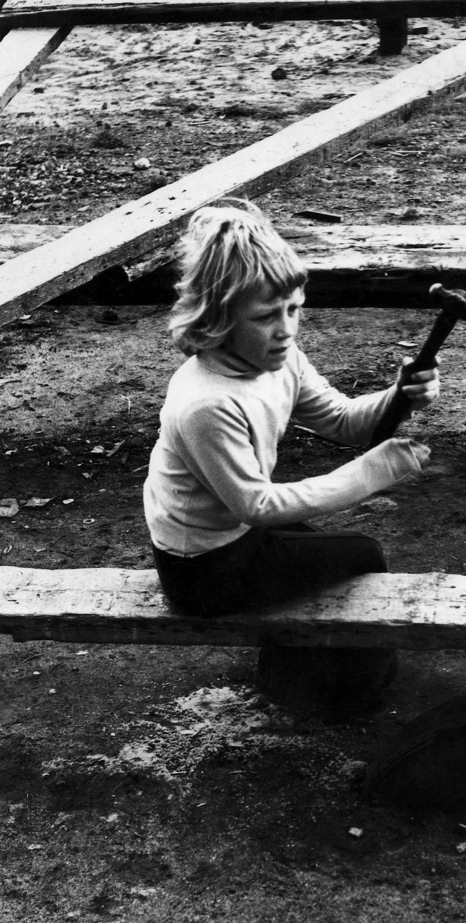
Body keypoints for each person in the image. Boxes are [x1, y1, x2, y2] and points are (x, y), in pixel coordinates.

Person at [143, 200, 440, 711]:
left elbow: (343, 421)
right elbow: (256, 505)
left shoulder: (278, 360)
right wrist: (375, 471)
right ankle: (347, 694)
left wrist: (401, 396)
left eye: (294, 309)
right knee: (363, 555)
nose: (286, 329)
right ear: (217, 319)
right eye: (265, 317)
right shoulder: (206, 404)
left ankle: (292, 669)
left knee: (328, 554)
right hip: (204, 570)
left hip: (238, 535)